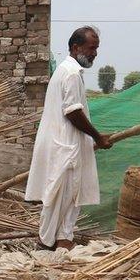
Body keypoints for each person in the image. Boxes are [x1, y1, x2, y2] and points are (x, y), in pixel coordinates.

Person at [25, 26, 111, 250]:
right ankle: (45, 243)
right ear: (76, 47)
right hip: (64, 145)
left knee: (71, 195)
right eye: (91, 48)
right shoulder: (70, 73)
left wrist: (93, 138)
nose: (94, 53)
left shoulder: (66, 71)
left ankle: (64, 239)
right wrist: (98, 137)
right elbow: (72, 111)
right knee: (58, 195)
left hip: (65, 144)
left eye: (96, 49)